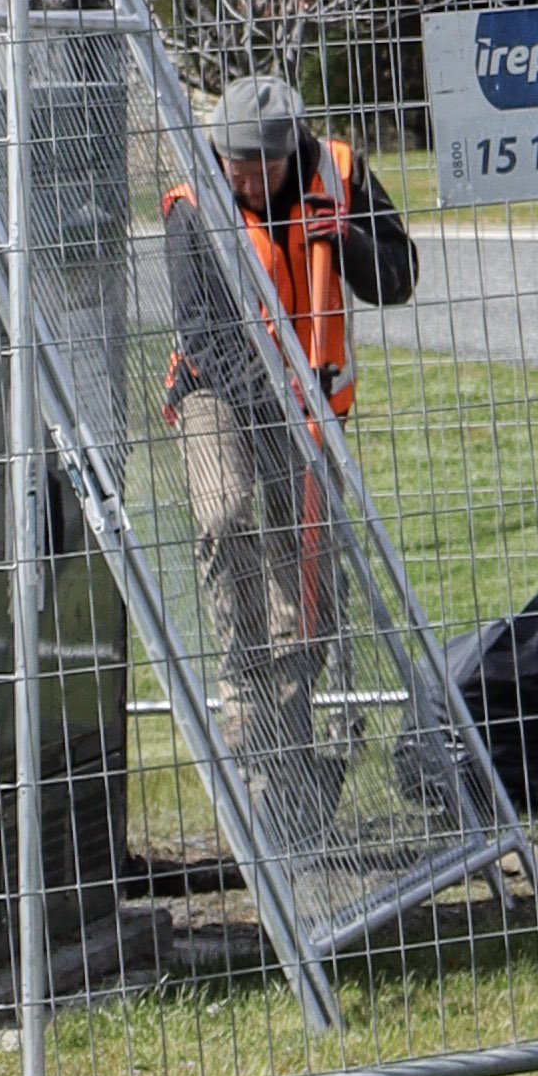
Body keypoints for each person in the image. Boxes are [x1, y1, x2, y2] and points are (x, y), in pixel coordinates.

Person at [159, 69, 417, 816]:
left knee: (305, 582)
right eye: (230, 163)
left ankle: (290, 744)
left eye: (255, 168)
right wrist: (278, 415)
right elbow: (203, 334)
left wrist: (351, 240)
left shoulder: (338, 175)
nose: (240, 178)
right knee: (226, 515)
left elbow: (399, 278)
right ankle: (244, 702)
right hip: (218, 393)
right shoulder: (195, 207)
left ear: (288, 153)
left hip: (311, 413)